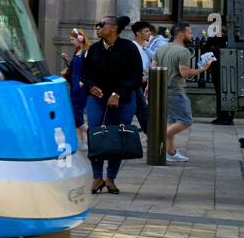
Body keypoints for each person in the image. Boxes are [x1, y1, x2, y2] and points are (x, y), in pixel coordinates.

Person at [81, 14, 143, 194]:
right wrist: (91, 86)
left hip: (123, 99)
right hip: (97, 99)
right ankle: (97, 177)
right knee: (96, 135)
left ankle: (111, 178)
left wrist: (117, 93)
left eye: (101, 24)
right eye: (97, 24)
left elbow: (136, 77)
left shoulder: (128, 48)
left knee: (117, 137)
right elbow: (85, 75)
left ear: (113, 28)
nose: (98, 28)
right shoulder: (94, 49)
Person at [152, 22, 214, 162]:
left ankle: (170, 152)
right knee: (185, 120)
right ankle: (157, 139)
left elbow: (153, 68)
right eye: (189, 33)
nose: (191, 35)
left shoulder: (161, 49)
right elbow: (184, 72)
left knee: (172, 121)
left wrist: (149, 88)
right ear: (181, 34)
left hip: (161, 91)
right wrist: (202, 68)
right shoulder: (183, 51)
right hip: (175, 91)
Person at [59, 27, 90, 147]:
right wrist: (67, 60)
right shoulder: (77, 52)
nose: (70, 42)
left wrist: (82, 82)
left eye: (72, 39)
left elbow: (89, 70)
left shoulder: (85, 52)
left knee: (75, 112)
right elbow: (73, 69)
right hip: (74, 86)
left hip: (80, 88)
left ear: (80, 39)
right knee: (76, 112)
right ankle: (82, 140)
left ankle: (88, 132)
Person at [130, 21, 163, 132]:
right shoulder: (132, 46)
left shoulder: (146, 45)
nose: (149, 33)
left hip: (147, 81)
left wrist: (147, 48)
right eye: (146, 31)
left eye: (149, 31)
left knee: (144, 110)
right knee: (141, 110)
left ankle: (152, 135)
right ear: (138, 33)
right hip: (137, 81)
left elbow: (156, 58)